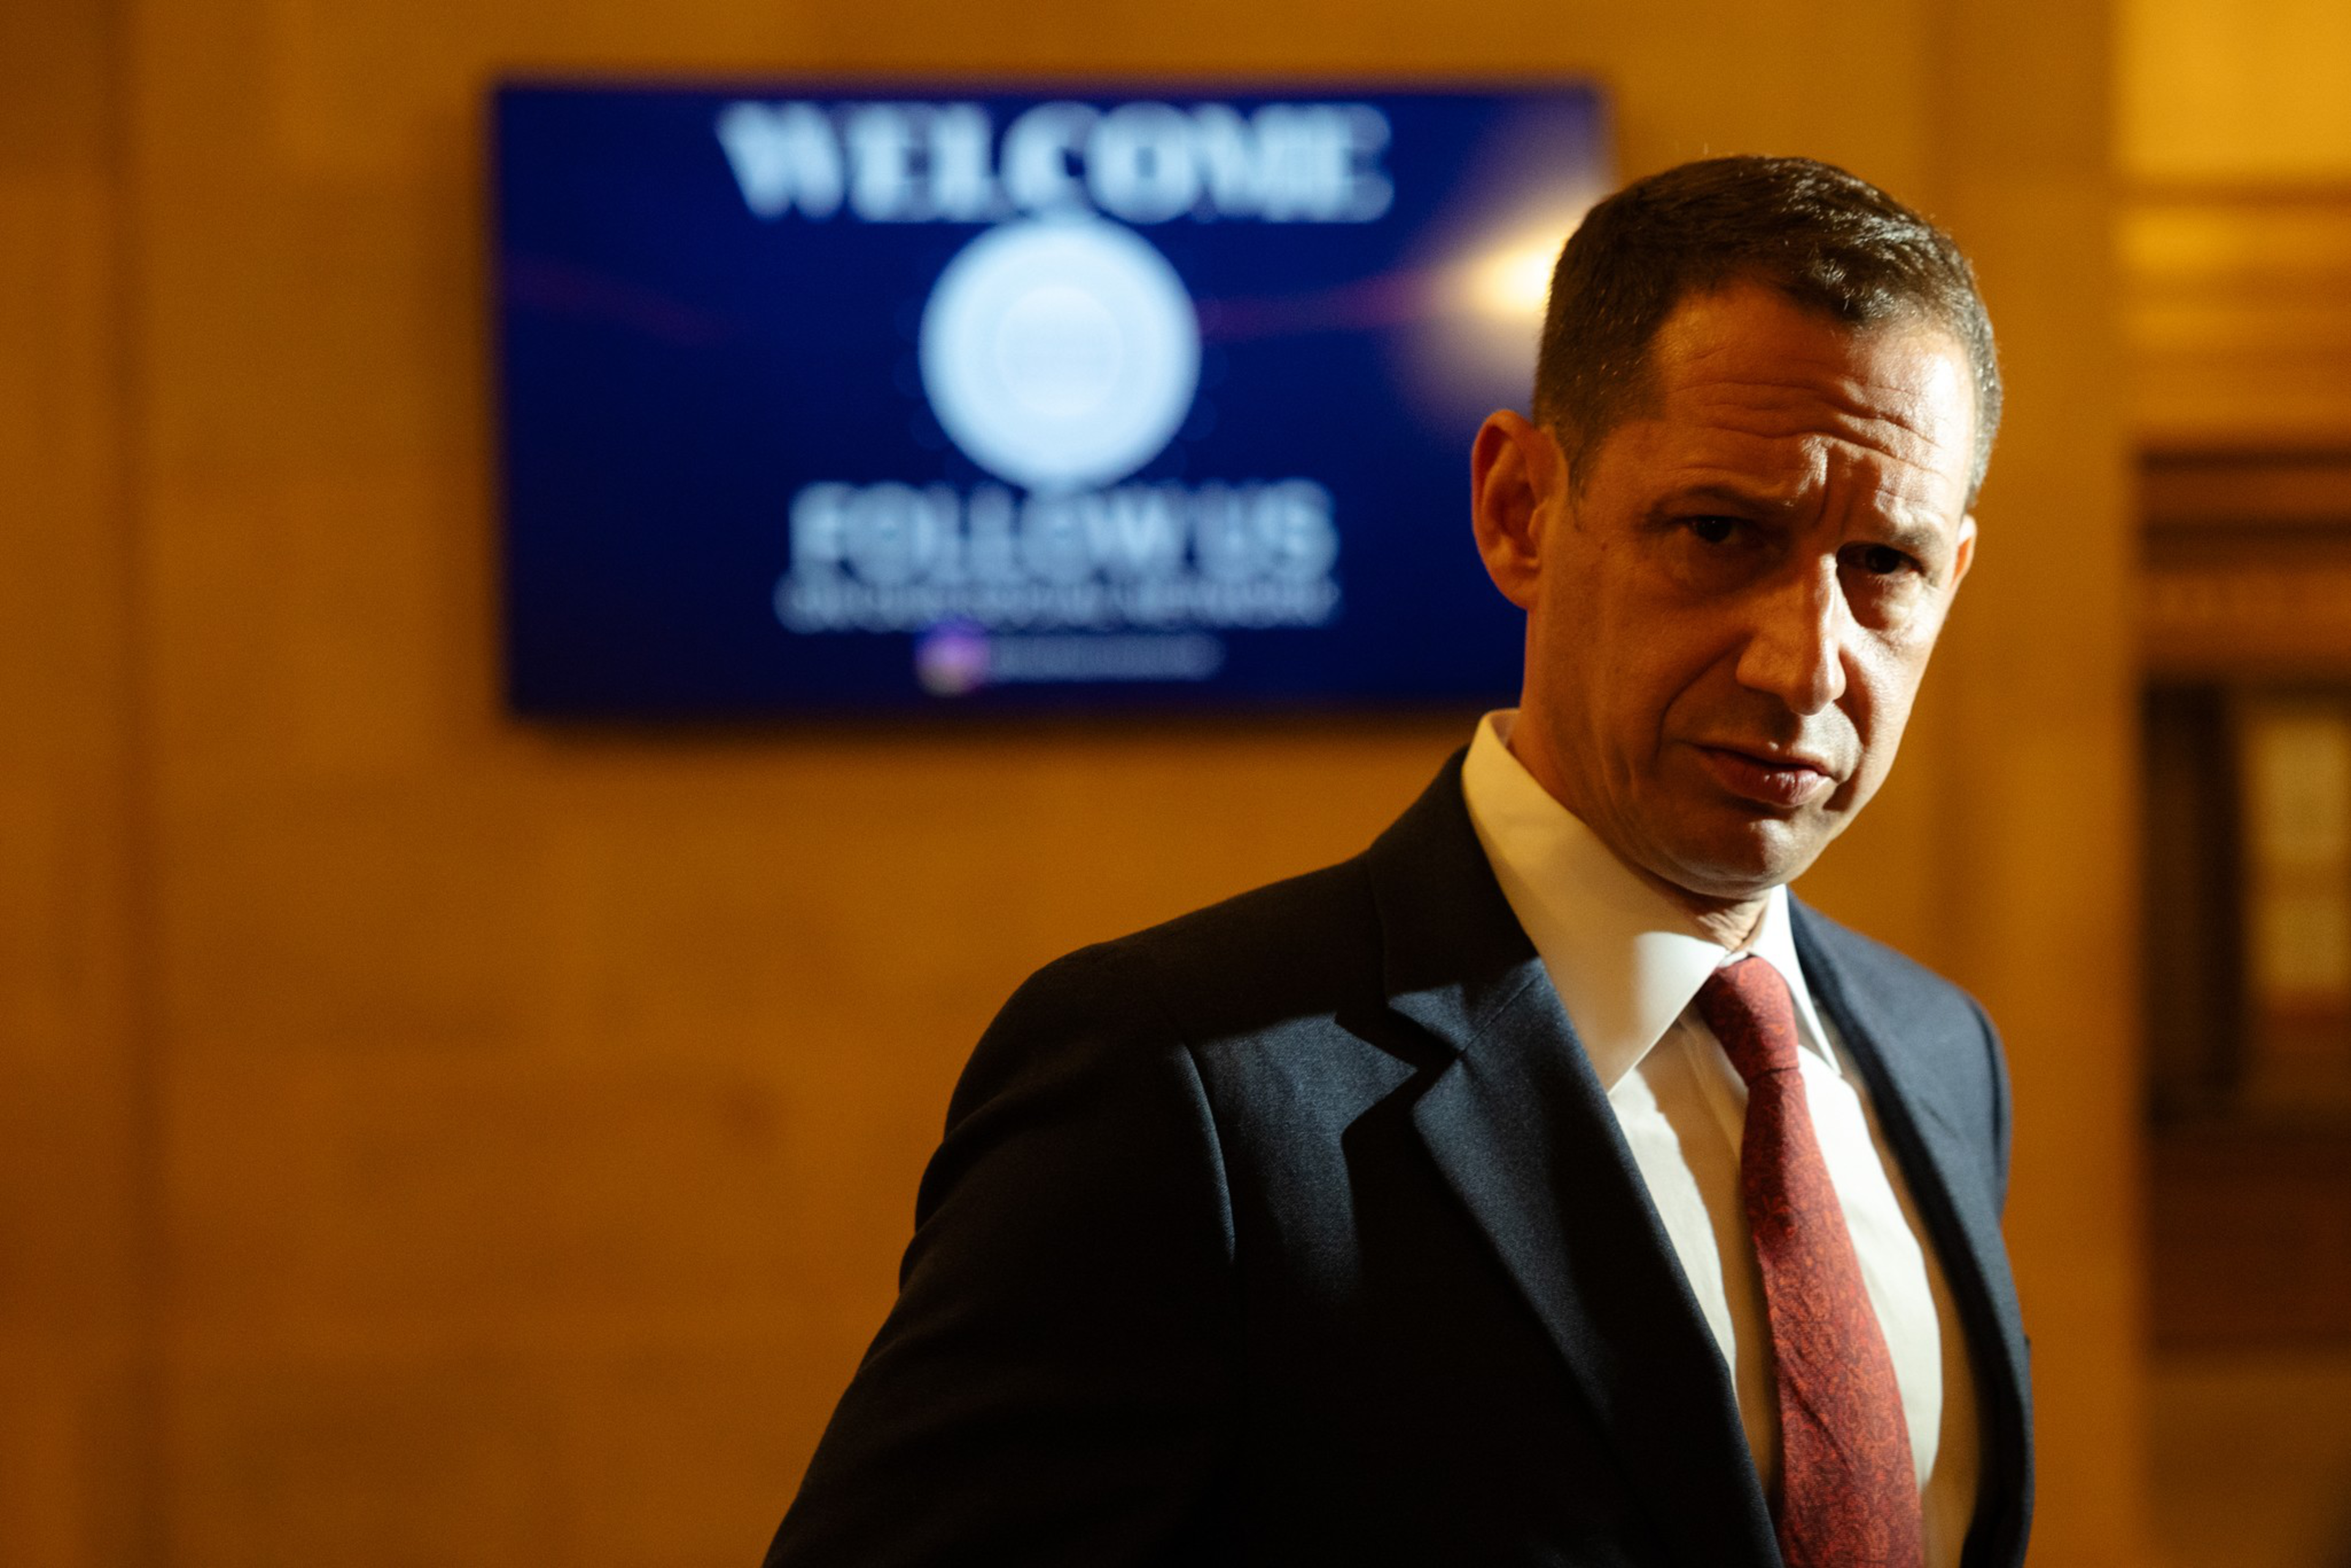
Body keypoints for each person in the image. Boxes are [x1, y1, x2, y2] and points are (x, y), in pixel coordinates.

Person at [763, 156, 2031, 1568]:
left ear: (1956, 574)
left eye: (1884, 566)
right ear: (1518, 509)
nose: (1805, 664)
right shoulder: (1180, 1085)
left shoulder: (1940, 1056)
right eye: (1721, 532)